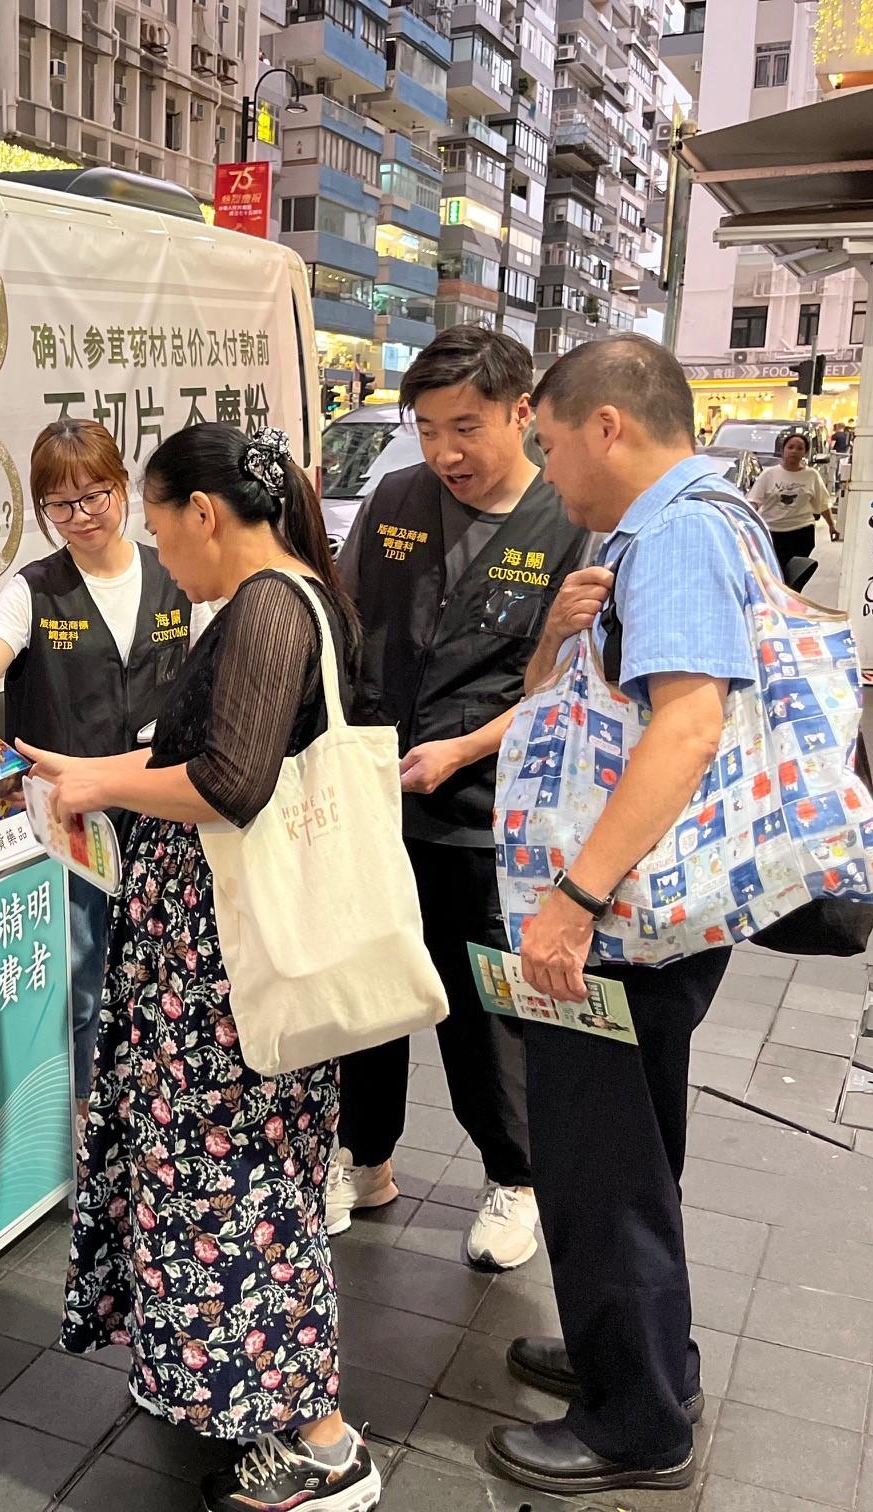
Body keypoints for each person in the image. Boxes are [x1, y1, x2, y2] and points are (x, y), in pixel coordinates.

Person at [25, 424, 380, 1512]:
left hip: (231, 964)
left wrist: (110, 790)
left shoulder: (270, 606)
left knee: (238, 1188)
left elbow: (228, 783)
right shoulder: (284, 597)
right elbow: (202, 755)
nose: (158, 554)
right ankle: (244, 1395)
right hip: (214, 955)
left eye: (159, 524)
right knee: (225, 1184)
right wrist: (92, 773)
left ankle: (321, 1444)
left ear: (204, 514)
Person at [481, 334, 753, 1496]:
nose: (549, 474)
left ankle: (638, 1422)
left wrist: (573, 902)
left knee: (603, 1158)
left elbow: (686, 728)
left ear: (607, 426)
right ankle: (634, 1357)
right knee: (626, 1150)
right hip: (649, 912)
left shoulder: (678, 533)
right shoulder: (694, 521)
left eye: (547, 444)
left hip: (623, 915)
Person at [329, 326, 588, 1269]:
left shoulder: (571, 517)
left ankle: (514, 1181)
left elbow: (569, 688)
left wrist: (463, 750)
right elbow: (347, 617)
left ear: (523, 414)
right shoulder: (397, 497)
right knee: (368, 986)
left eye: (466, 428)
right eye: (428, 428)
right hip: (376, 793)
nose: (445, 453)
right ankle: (365, 1157)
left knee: (484, 1006)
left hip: (487, 817)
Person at [0, 418, 194, 1105]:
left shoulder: (173, 573)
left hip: (160, 806)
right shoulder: (34, 589)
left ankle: (151, 1101)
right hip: (70, 816)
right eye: (60, 504)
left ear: (123, 490)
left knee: (161, 963)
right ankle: (82, 1115)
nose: (80, 517)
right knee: (81, 967)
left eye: (95, 497)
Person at [746, 431, 838, 567]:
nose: (794, 451)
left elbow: (822, 503)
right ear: (783, 450)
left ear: (805, 453)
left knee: (793, 575)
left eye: (799, 448)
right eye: (790, 447)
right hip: (771, 532)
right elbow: (754, 501)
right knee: (774, 572)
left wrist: (832, 526)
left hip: (801, 532)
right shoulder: (769, 474)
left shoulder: (811, 475)